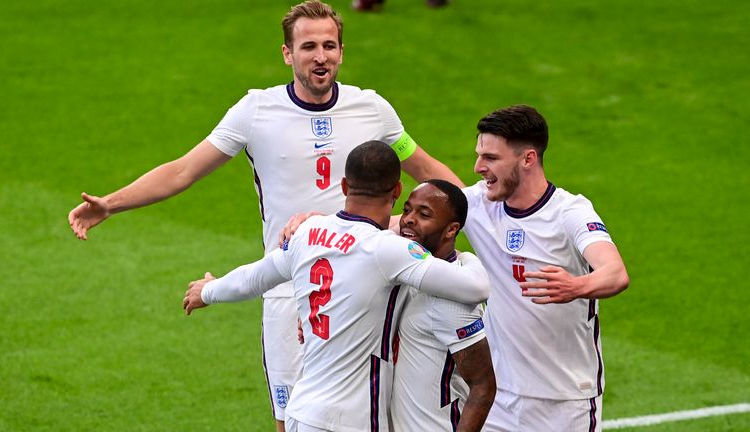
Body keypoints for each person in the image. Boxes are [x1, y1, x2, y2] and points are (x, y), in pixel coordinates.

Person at [66, 1, 462, 430]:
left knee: (377, 417)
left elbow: (426, 171)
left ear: (342, 52)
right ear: (287, 54)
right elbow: (182, 170)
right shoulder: (255, 112)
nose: (320, 56)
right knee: (292, 421)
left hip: (370, 289)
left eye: (330, 45)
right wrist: (112, 203)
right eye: (308, 46)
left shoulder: (372, 110)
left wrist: (478, 209)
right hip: (287, 289)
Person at [182, 141, 490, 432]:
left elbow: (254, 278)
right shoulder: (388, 250)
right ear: (397, 190)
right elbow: (476, 287)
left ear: (344, 186)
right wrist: (467, 256)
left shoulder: (307, 232)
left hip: (302, 412)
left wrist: (208, 290)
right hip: (349, 420)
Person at [460, 105, 630, 431]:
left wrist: (576, 287)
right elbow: (408, 223)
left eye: (491, 158)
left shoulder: (570, 212)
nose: (478, 167)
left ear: (528, 159)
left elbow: (616, 273)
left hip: (566, 402)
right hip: (498, 397)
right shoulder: (479, 204)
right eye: (480, 155)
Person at [390, 179, 496, 432]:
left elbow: (483, 386)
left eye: (424, 214)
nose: (408, 220)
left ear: (451, 230)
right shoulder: (403, 266)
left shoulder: (454, 299)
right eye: (406, 210)